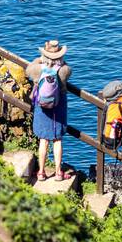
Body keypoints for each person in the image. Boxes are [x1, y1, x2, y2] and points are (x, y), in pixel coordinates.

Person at [26, 40, 72, 180]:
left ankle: (41, 172)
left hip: (42, 107)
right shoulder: (64, 70)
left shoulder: (37, 69)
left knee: (43, 140)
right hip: (58, 107)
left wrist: (40, 59)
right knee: (57, 140)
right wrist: (61, 62)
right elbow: (69, 71)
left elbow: (28, 69)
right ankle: (58, 173)